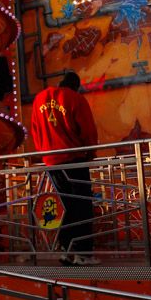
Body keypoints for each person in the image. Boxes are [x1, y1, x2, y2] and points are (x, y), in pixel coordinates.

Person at [28, 71, 100, 265]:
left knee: (66, 205)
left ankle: (65, 251)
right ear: (76, 86)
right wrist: (91, 153)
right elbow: (88, 131)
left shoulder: (39, 99)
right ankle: (82, 254)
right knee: (82, 204)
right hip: (74, 160)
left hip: (51, 162)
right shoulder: (76, 99)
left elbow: (34, 129)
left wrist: (45, 152)